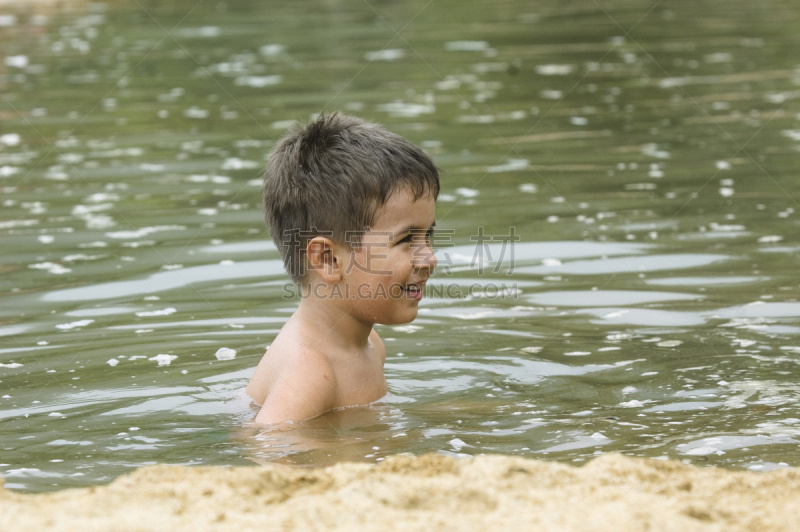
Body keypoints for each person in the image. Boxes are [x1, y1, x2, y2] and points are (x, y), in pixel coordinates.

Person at [246, 113, 439, 425]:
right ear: (328, 259)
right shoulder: (309, 371)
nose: (429, 258)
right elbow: (267, 454)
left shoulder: (371, 346)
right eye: (407, 239)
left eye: (427, 235)